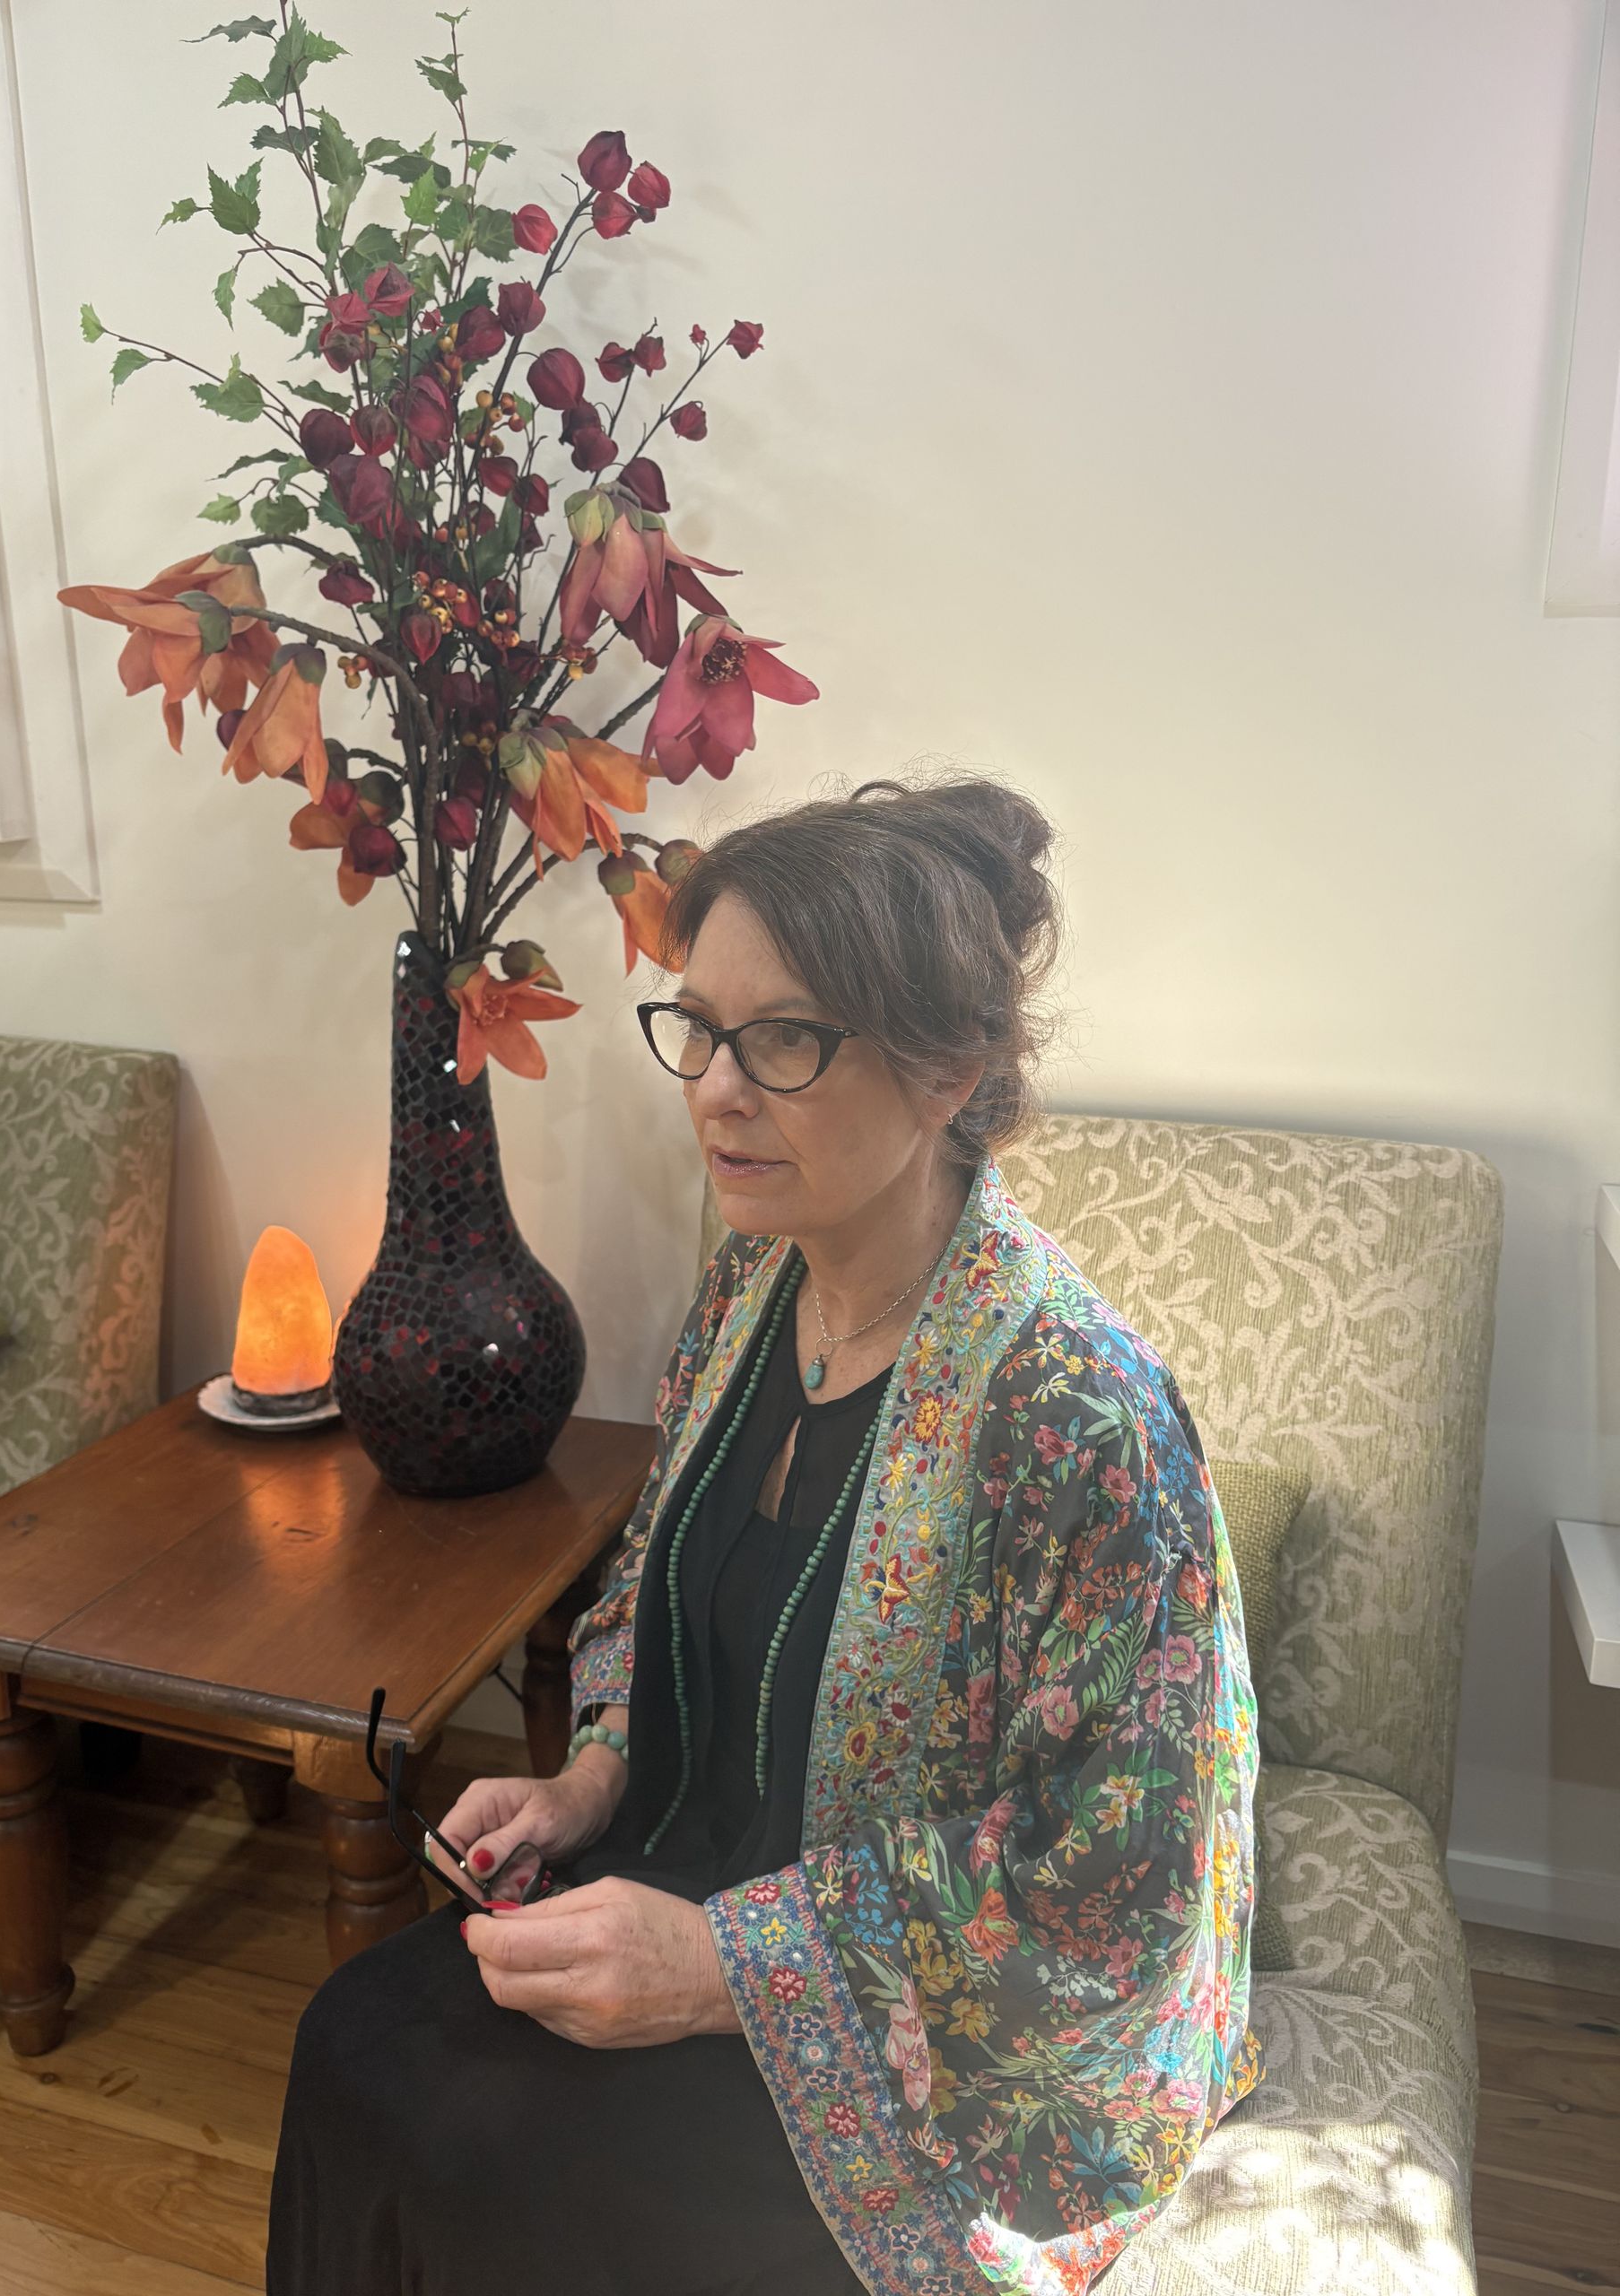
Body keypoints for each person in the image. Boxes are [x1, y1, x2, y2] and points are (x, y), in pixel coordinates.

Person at [265, 772, 1265, 2296]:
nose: (717, 1091)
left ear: (948, 1072)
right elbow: (647, 1596)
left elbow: (1123, 1888)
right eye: (699, 1029)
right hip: (691, 1872)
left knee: (486, 2163)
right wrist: (590, 1780)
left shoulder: (1079, 1420)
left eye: (785, 1040)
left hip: (936, 2050)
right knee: (350, 2038)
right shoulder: (753, 1284)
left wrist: (730, 1971)